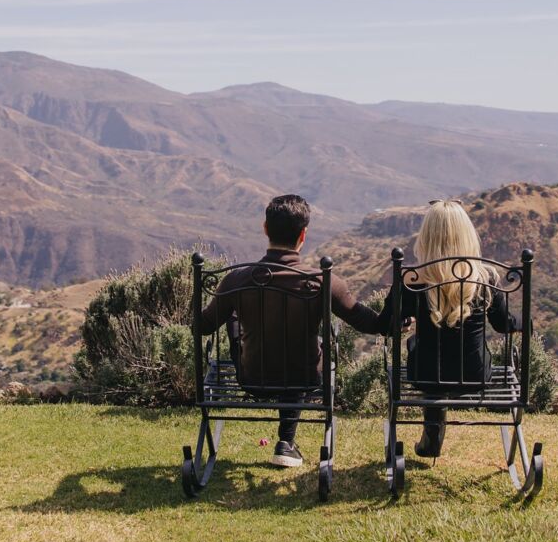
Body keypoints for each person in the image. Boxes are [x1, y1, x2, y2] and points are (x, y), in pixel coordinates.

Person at [197, 194, 381, 468]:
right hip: (304, 378)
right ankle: (286, 441)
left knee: (244, 325)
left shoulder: (236, 279)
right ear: (303, 234)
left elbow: (203, 326)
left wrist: (231, 313)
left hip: (252, 377)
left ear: (265, 229)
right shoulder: (322, 281)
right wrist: (397, 316)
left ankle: (286, 442)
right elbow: (369, 323)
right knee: (305, 351)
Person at [379, 199, 520, 459]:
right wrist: (525, 323)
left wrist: (401, 321)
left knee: (417, 347)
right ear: (467, 236)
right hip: (474, 374)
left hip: (426, 374)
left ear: (427, 238)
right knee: (435, 351)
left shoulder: (411, 280)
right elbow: (504, 324)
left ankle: (432, 432)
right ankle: (432, 433)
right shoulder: (485, 278)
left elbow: (385, 325)